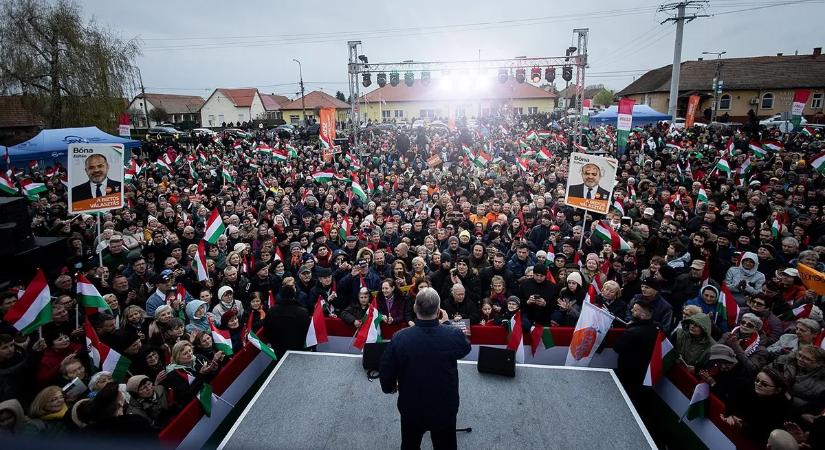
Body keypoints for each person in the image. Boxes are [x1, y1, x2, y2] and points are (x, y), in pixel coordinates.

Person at [379, 287, 471, 450]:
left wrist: (390, 388)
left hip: (412, 407)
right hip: (444, 407)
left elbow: (386, 371)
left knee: (410, 445)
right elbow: (465, 347)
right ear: (438, 311)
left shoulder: (400, 338)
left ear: (415, 308)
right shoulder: (452, 335)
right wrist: (447, 322)